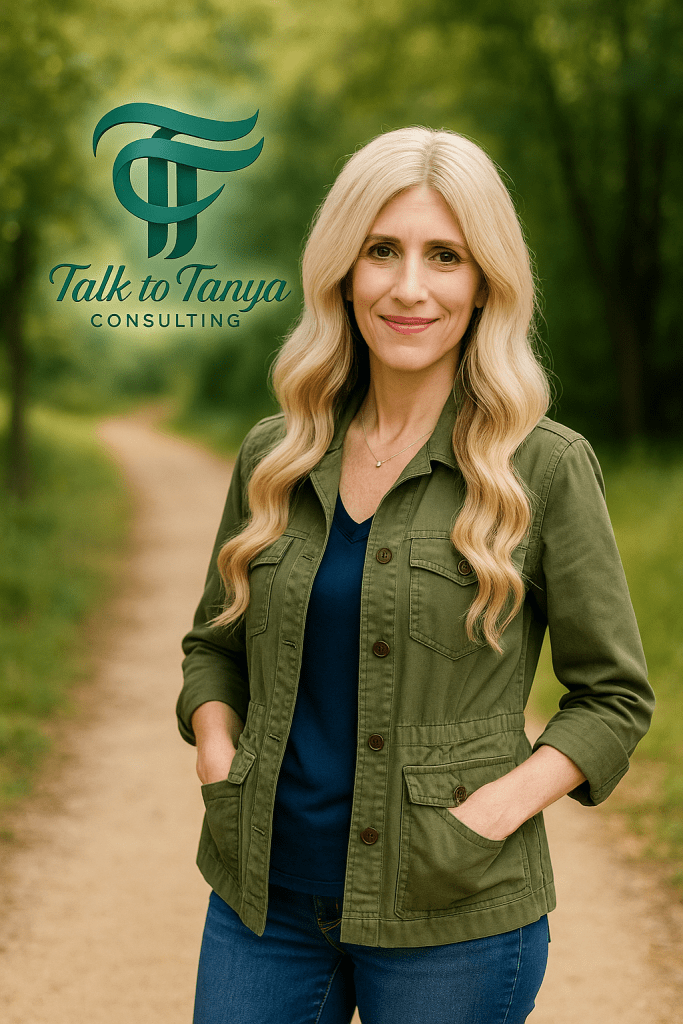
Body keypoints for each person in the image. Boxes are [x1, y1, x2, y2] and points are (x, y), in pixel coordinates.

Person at [176, 127, 654, 1024]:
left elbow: (612, 698)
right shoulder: (273, 456)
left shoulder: (542, 468)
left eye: (445, 256)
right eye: (382, 251)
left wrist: (493, 813)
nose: (408, 287)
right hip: (262, 901)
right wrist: (215, 746)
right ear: (342, 272)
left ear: (483, 285)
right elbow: (213, 642)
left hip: (454, 913)